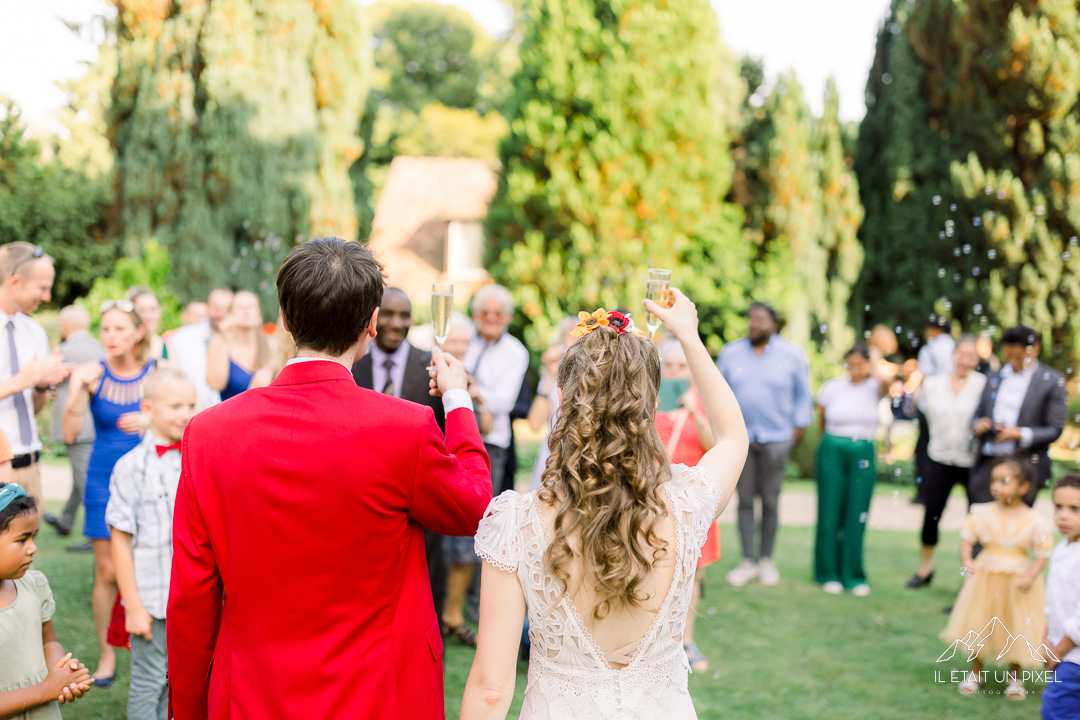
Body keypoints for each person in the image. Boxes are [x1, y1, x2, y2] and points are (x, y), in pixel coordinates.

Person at [167, 237, 492, 720]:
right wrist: (459, 401)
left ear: (283, 313)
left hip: (254, 692)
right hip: (378, 691)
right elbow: (473, 507)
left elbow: (192, 594)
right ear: (371, 323)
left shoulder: (208, 433)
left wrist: (188, 709)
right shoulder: (405, 427)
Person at [460, 292, 748, 719]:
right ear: (653, 406)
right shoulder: (688, 505)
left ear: (563, 396)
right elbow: (732, 436)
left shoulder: (516, 524)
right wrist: (689, 334)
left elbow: (490, 690)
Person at [62, 299, 155, 686]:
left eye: (120, 329)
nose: (111, 337)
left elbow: (185, 415)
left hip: (150, 480)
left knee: (151, 565)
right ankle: (106, 653)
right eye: (106, 329)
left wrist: (151, 419)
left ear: (138, 333)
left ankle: (151, 647)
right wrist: (77, 393)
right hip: (103, 479)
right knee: (106, 571)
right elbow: (68, 435)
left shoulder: (157, 372)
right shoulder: (90, 374)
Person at [351, 287, 448, 624]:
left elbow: (446, 436)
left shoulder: (431, 365)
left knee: (422, 594)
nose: (396, 323)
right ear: (374, 319)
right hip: (361, 498)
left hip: (418, 499)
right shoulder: (353, 364)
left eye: (404, 315)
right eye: (389, 314)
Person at [107, 368, 196, 720]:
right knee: (150, 682)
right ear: (147, 408)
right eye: (175, 405)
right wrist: (133, 607)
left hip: (192, 597)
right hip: (153, 598)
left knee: (185, 681)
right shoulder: (130, 467)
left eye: (190, 404)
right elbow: (120, 541)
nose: (185, 413)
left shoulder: (197, 458)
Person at [940, 457, 1054, 699]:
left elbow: (1042, 553)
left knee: (1017, 625)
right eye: (994, 480)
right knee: (981, 623)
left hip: (1017, 582)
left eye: (1005, 481)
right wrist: (968, 561)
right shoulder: (981, 512)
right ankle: (975, 673)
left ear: (1023, 487)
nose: (996, 486)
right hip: (986, 577)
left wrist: (1032, 576)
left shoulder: (1035, 520)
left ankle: (1015, 677)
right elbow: (967, 539)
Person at [718, 301, 811, 588]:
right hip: (740, 439)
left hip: (777, 438)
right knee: (744, 501)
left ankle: (766, 560)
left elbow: (803, 396)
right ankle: (748, 560)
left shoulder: (793, 355)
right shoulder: (730, 353)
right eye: (751, 319)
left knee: (770, 501)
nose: (754, 324)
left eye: (760, 319)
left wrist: (796, 430)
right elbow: (719, 392)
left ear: (774, 324)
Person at [0, 482, 93, 719]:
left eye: (34, 537)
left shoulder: (34, 584)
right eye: (22, 540)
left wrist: (61, 671)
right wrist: (45, 690)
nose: (33, 548)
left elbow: (48, 641)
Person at [654, 340, 718, 673]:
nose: (675, 373)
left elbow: (715, 447)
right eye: (669, 366)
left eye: (681, 367)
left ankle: (686, 640)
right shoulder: (649, 401)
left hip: (693, 500)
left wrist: (692, 409)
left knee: (693, 574)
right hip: (655, 499)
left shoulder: (703, 402)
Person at [907, 336, 985, 588]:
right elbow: (919, 415)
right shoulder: (932, 384)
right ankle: (924, 568)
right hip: (938, 457)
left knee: (975, 520)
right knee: (932, 514)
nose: (965, 361)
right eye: (962, 354)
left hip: (971, 460)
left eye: (971, 356)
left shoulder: (984, 385)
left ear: (977, 360)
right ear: (953, 355)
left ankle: (971, 577)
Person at [0, 243, 72, 509]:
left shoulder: (35, 332)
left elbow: (35, 407)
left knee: (29, 550)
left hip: (32, 464)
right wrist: (22, 380)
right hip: (1, 466)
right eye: (42, 288)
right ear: (15, 283)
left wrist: (41, 386)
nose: (47, 297)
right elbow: (21, 381)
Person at [814, 344, 889, 597]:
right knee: (829, 510)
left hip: (863, 450)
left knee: (857, 511)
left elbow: (889, 381)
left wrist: (875, 361)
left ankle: (853, 575)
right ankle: (827, 572)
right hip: (833, 447)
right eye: (851, 363)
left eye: (861, 364)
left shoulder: (875, 387)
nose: (855, 369)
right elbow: (821, 418)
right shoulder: (833, 386)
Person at [437, 314, 492, 649]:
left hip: (462, 464)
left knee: (464, 546)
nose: (458, 347)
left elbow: (485, 425)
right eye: (452, 340)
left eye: (463, 342)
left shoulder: (469, 379)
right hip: (437, 464)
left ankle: (452, 615)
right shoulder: (432, 375)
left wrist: (469, 394)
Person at [970, 325, 1066, 506]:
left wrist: (1018, 434)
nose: (1012, 361)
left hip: (1026, 465)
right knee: (982, 520)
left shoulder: (1051, 381)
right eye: (1008, 356)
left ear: (1034, 349)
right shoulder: (993, 377)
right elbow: (976, 416)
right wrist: (979, 424)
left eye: (1018, 357)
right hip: (988, 462)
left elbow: (1055, 428)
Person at [42, 306, 104, 545]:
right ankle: (66, 521)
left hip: (76, 424)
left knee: (85, 480)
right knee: (81, 476)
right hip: (96, 422)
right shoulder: (100, 348)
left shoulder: (62, 352)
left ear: (65, 327)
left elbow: (47, 381)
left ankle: (95, 536)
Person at [464, 285, 529, 496]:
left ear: (507, 317)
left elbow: (503, 402)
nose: (491, 318)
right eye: (485, 312)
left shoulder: (515, 352)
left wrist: (473, 391)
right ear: (475, 315)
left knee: (482, 508)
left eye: (497, 313)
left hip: (491, 441)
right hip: (457, 433)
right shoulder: (464, 341)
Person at [1042, 473, 1080, 719]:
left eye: (1075, 509)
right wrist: (1046, 638)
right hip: (1061, 649)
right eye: (1058, 506)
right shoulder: (1061, 548)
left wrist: (1059, 650)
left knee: (1056, 709)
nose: (1063, 515)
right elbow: (1053, 599)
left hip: (1074, 656)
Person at [526, 317, 577, 492]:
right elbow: (534, 423)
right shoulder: (551, 376)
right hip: (551, 453)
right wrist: (549, 374)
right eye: (569, 336)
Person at [912, 316, 955, 506]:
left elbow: (925, 376)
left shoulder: (929, 349)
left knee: (924, 449)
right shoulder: (955, 347)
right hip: (950, 406)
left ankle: (923, 493)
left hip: (930, 405)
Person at [166, 288, 233, 410]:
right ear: (207, 307)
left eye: (226, 309)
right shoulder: (183, 336)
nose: (221, 314)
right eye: (216, 308)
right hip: (190, 411)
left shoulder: (240, 341)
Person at [206, 290, 272, 401]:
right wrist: (225, 338)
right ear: (229, 314)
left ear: (259, 315)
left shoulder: (270, 346)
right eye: (240, 307)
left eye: (250, 306)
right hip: (230, 414)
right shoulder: (219, 342)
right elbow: (216, 384)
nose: (246, 311)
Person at [127, 287, 166, 360]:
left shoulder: (166, 348)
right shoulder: (123, 347)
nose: (149, 316)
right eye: (141, 310)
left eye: (153, 309)